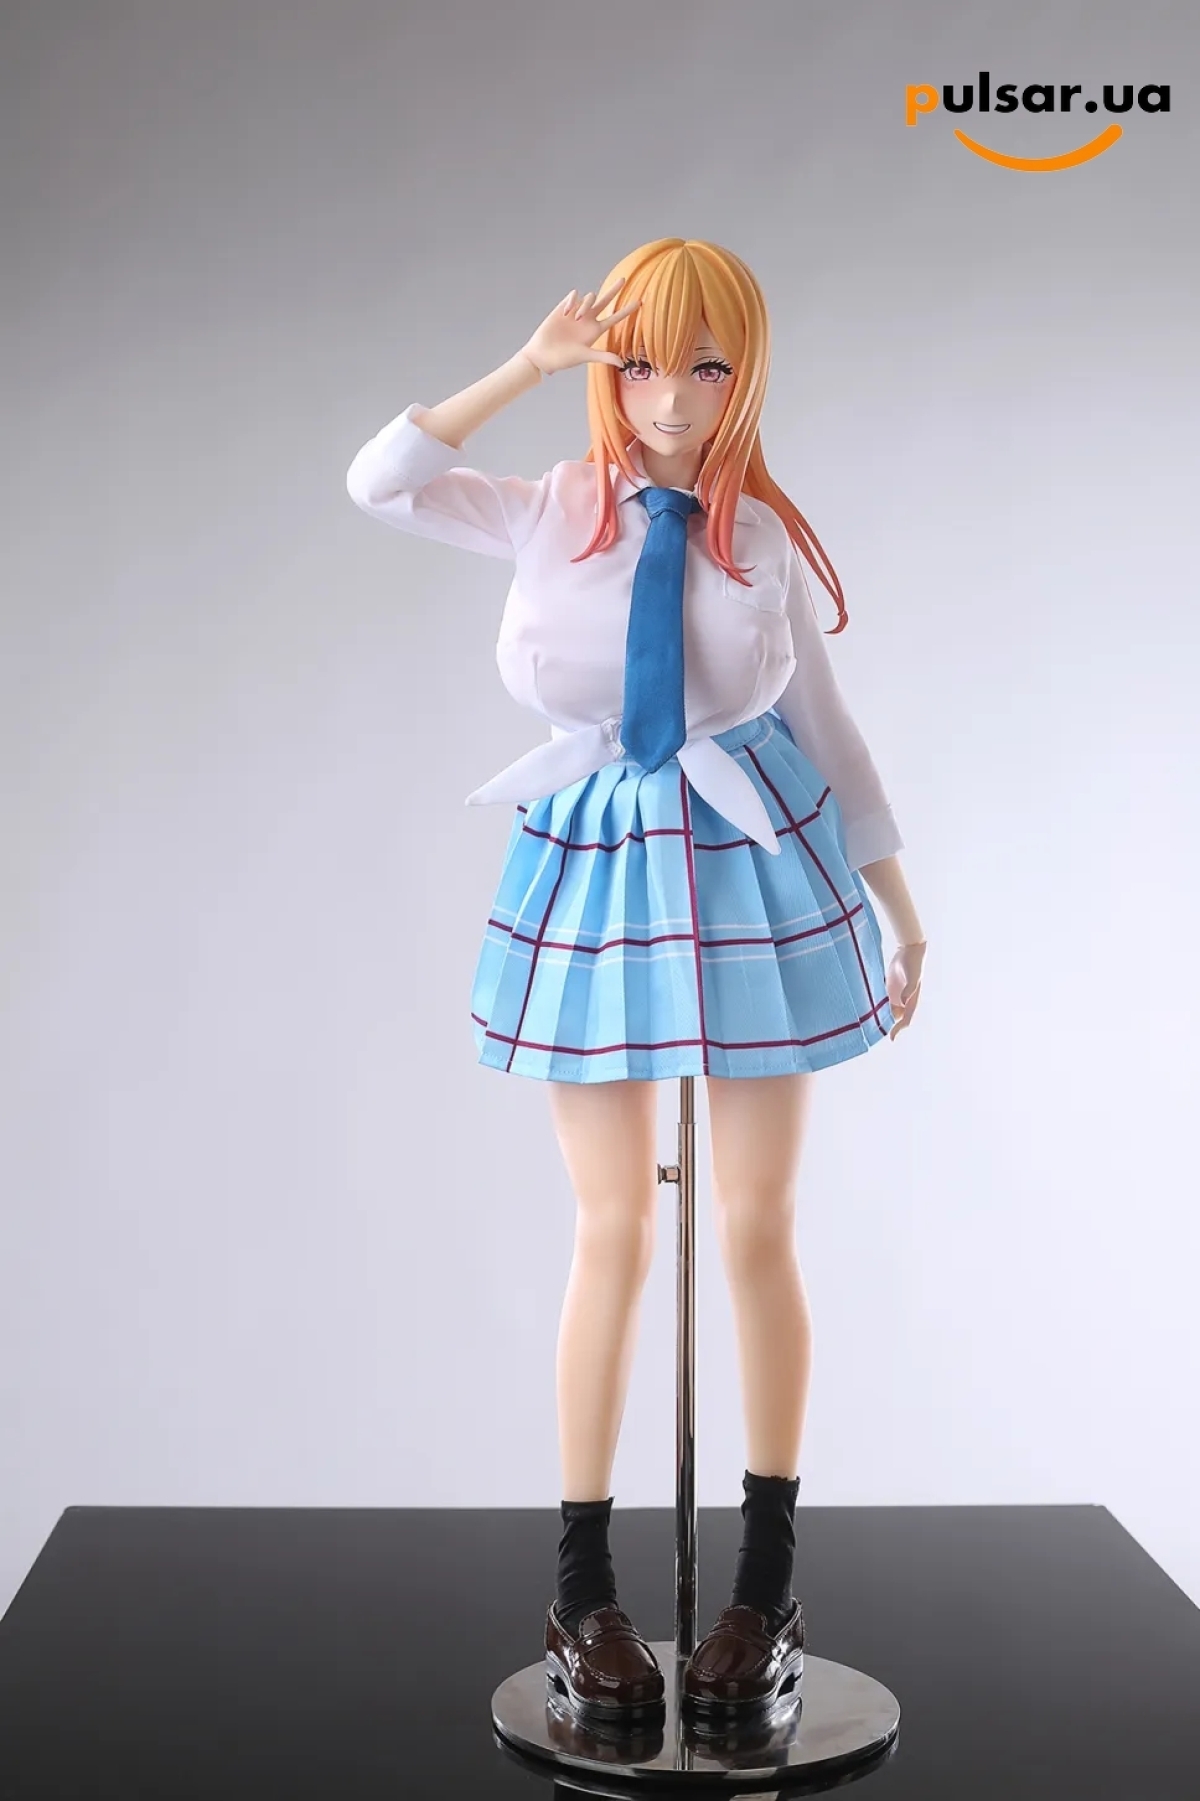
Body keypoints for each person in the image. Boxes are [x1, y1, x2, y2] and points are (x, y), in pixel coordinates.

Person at [346, 237, 926, 1727]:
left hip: (751, 866)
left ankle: (766, 1588)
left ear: (748, 376)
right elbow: (381, 481)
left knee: (754, 1225)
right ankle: (583, 1588)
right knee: (612, 1227)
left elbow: (829, 729)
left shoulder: (759, 538)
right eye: (644, 362)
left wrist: (899, 905)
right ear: (607, 369)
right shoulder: (547, 509)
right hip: (599, 871)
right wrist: (529, 364)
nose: (673, 398)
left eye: (708, 366)